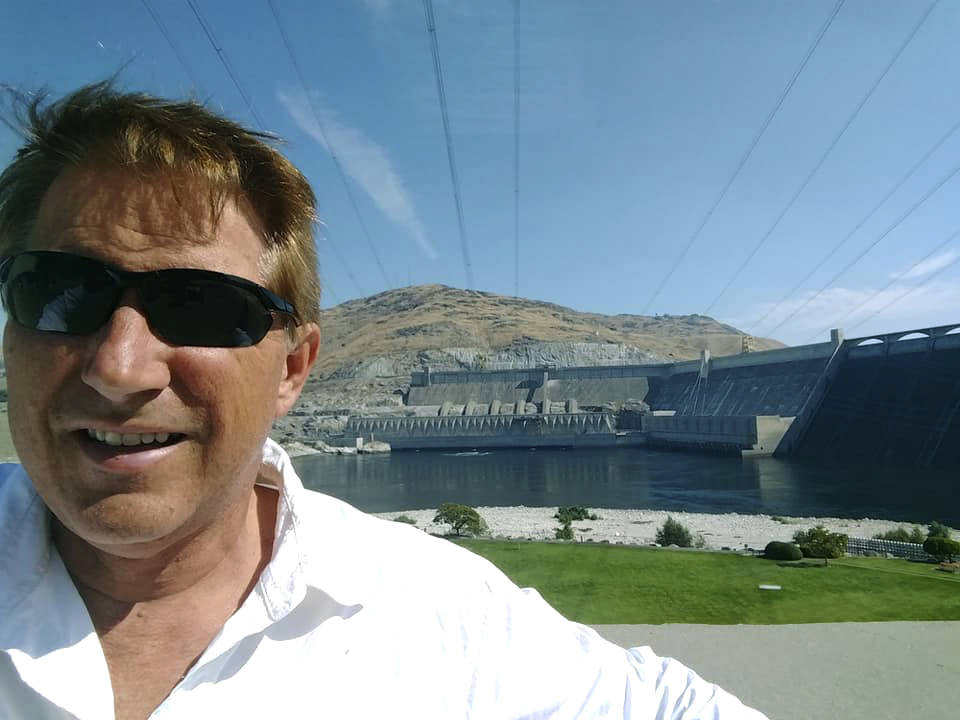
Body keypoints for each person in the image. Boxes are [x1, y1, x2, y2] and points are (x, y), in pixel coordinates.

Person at [0, 82, 768, 719]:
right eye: (61, 295)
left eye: (199, 305)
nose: (119, 366)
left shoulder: (437, 612)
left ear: (293, 369)